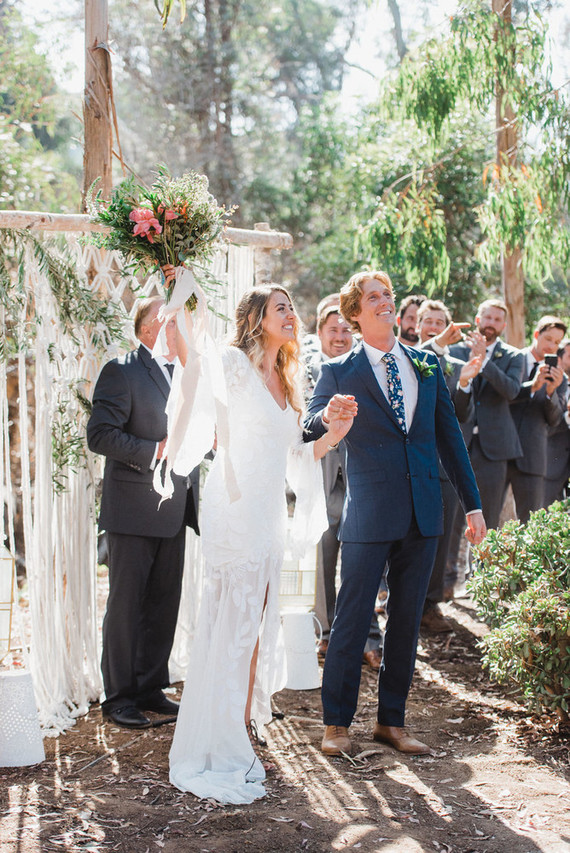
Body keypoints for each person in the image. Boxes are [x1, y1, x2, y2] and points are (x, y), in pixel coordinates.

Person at [164, 278, 356, 804]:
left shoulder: (289, 379)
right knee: (233, 623)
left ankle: (242, 719)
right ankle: (220, 731)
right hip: (234, 514)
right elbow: (191, 369)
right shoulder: (231, 365)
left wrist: (333, 433)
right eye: (281, 307)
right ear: (256, 317)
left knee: (258, 624)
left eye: (292, 307)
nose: (291, 314)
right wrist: (178, 304)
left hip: (269, 516)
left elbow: (297, 456)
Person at [305, 271, 486, 758]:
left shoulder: (428, 364)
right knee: (351, 620)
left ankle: (392, 723)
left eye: (387, 294)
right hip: (368, 513)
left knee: (405, 623)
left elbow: (449, 438)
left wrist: (473, 504)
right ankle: (337, 725)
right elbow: (307, 426)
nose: (385, 302)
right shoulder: (338, 372)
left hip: (425, 512)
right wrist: (328, 416)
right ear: (355, 314)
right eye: (373, 297)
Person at [87, 297, 200, 729]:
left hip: (175, 508)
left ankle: (151, 687)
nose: (182, 326)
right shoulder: (122, 370)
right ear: (153, 326)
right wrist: (155, 451)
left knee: (163, 603)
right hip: (132, 508)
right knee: (126, 605)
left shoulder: (187, 374)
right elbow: (100, 435)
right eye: (174, 319)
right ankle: (118, 697)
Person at [307, 305, 383, 668]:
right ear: (320, 333)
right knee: (323, 556)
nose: (339, 337)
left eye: (345, 331)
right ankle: (325, 633)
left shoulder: (363, 367)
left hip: (360, 474)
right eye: (332, 330)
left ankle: (370, 637)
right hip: (319, 472)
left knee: (363, 558)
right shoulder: (303, 370)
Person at [416, 299, 482, 630]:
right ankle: (393, 598)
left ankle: (430, 606)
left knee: (440, 539)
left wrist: (466, 383)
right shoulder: (401, 355)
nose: (434, 325)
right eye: (428, 320)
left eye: (440, 321)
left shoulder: (458, 364)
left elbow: (460, 415)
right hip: (408, 463)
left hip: (443, 466)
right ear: (416, 324)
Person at [450, 298, 524, 530]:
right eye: (488, 317)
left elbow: (512, 391)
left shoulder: (514, 356)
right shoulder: (454, 352)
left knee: (488, 519)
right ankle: (450, 568)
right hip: (458, 443)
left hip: (494, 449)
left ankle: (481, 567)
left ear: (503, 326)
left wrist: (483, 362)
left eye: (497, 319)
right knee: (451, 520)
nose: (491, 323)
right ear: (478, 320)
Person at [506, 316, 567, 522]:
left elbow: (555, 420)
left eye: (557, 343)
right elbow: (499, 397)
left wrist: (550, 392)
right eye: (548, 338)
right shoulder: (511, 359)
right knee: (484, 518)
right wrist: (531, 386)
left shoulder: (561, 379)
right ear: (536, 335)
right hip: (497, 449)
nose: (551, 346)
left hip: (532, 455)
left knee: (529, 522)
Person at [545, 339, 570, 506]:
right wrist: (567, 417)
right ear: (559, 359)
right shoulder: (547, 382)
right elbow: (543, 424)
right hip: (552, 464)